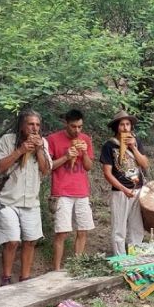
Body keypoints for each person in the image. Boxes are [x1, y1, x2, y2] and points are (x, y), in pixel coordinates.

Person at [0, 110, 52, 285]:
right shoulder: (7, 140)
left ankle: (25, 278)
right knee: (11, 241)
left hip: (31, 201)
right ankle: (6, 278)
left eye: (37, 125)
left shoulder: (43, 143)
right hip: (9, 200)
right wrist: (20, 150)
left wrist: (39, 149)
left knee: (30, 241)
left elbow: (46, 170)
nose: (34, 128)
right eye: (30, 124)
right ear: (22, 125)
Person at [46, 109, 94, 271]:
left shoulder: (86, 139)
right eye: (73, 127)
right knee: (62, 232)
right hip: (61, 191)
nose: (77, 131)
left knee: (83, 229)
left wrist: (85, 152)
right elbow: (48, 166)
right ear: (66, 124)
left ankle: (77, 265)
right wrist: (66, 157)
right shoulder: (53, 139)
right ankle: (57, 269)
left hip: (82, 191)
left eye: (80, 127)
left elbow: (88, 167)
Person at [100, 110, 149, 256]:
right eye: (122, 124)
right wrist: (122, 189)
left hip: (138, 190)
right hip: (120, 192)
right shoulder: (109, 146)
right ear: (117, 127)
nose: (125, 128)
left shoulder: (136, 142)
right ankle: (120, 258)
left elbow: (145, 164)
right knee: (119, 228)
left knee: (137, 227)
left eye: (128, 124)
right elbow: (107, 173)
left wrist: (133, 147)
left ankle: (136, 255)